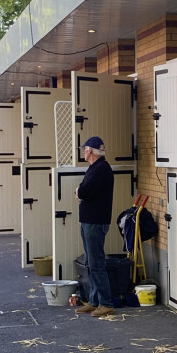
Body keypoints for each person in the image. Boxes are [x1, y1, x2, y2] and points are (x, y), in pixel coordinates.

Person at [75, 136, 115, 317]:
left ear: (90, 150)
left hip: (95, 222)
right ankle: (94, 300)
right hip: (89, 221)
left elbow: (85, 191)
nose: (83, 152)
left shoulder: (101, 169)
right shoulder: (95, 168)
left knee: (96, 262)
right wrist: (81, 192)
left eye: (84, 149)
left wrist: (79, 192)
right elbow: (85, 191)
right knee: (90, 262)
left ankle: (106, 302)